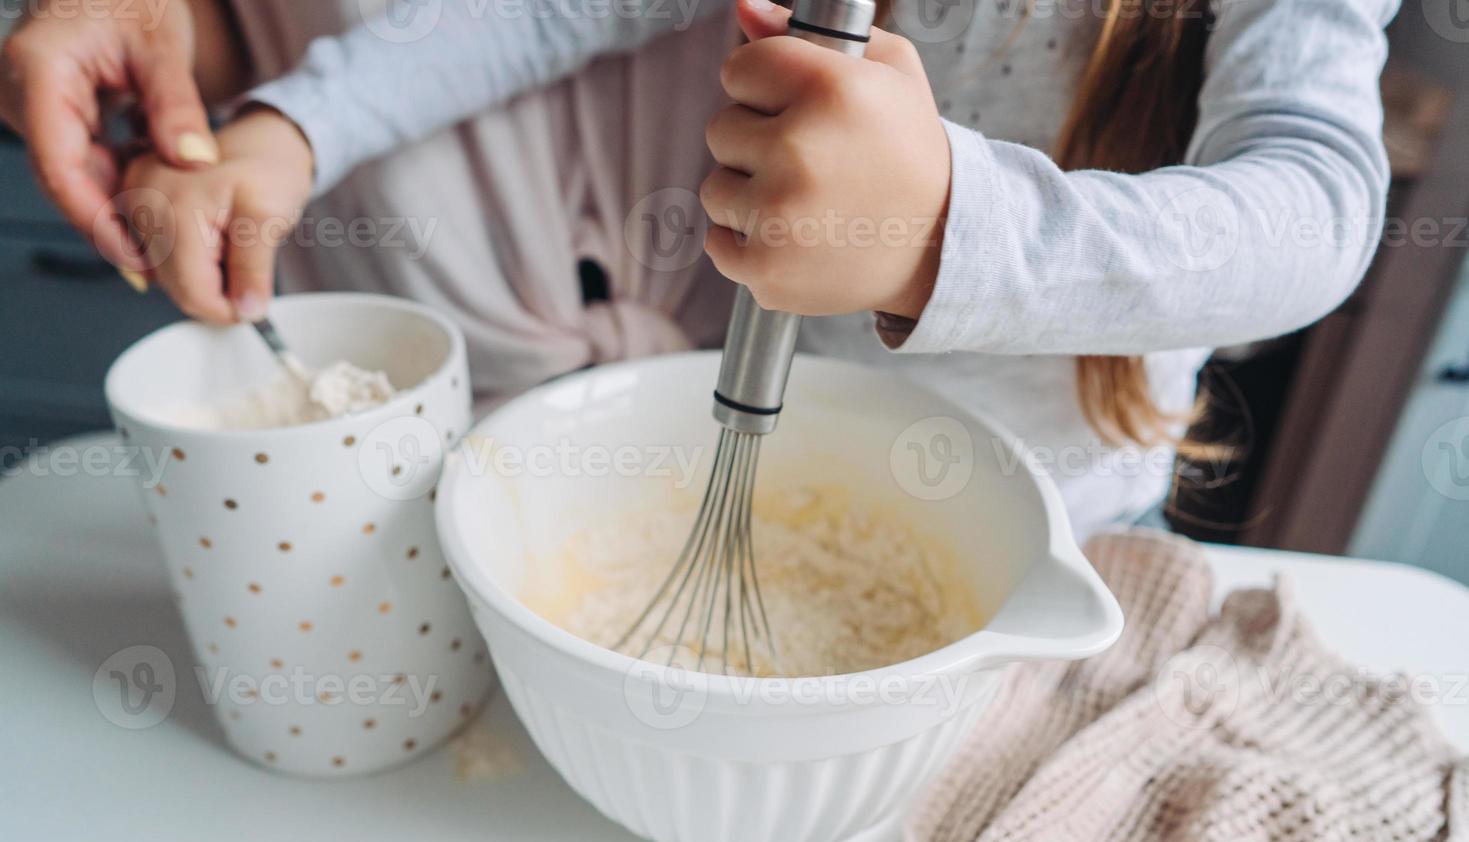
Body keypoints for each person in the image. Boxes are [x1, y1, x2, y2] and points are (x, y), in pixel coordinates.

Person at [1, 0, 1399, 538]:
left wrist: (942, 231)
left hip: (1064, 531)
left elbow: (1317, 205)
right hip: (762, 491)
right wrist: (295, 130)